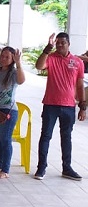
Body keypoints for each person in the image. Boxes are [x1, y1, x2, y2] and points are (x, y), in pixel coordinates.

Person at [33, 32, 86, 181]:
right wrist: (47, 48)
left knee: (66, 137)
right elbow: (39, 66)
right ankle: (41, 167)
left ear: (69, 43)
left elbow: (80, 85)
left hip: (69, 106)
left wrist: (82, 106)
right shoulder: (50, 58)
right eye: (58, 43)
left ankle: (67, 168)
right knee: (46, 136)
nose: (60, 45)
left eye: (63, 42)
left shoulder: (77, 62)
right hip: (50, 104)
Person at [0, 47, 26, 179]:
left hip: (8, 111)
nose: (3, 59)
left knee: (6, 140)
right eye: (2, 56)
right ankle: (0, 165)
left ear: (12, 59)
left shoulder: (13, 72)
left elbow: (21, 80)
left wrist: (19, 63)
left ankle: (5, 169)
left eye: (7, 57)